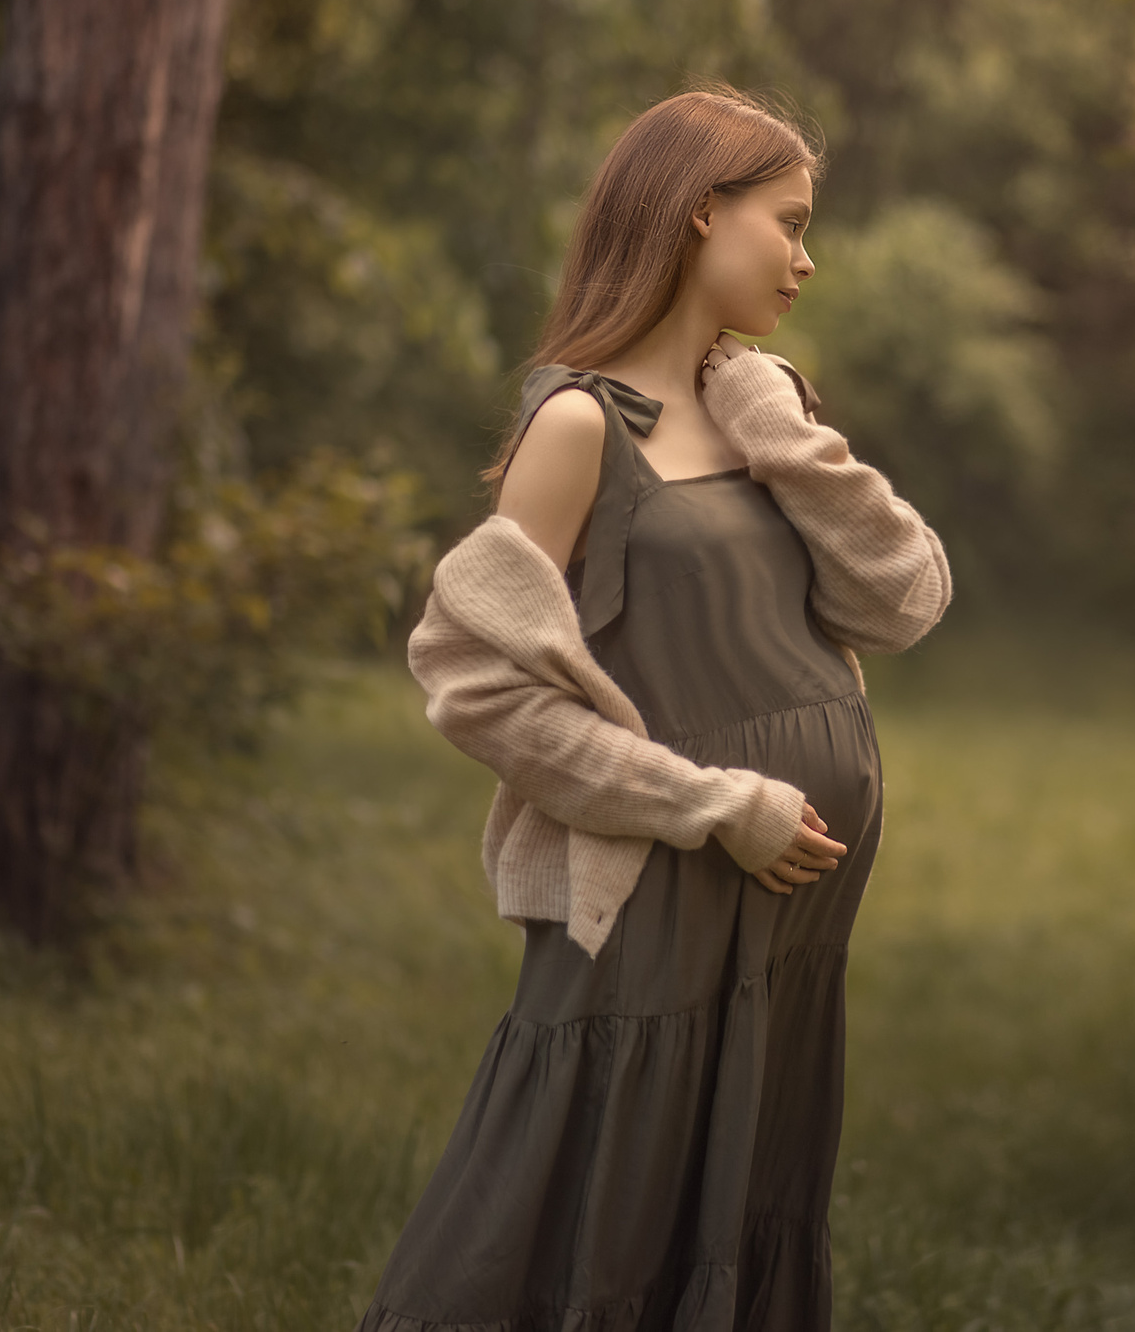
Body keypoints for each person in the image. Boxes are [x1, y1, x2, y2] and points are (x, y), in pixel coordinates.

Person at [355, 86, 953, 1332]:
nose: (805, 257)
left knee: (735, 1203)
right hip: (665, 893)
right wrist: (709, 805)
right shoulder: (578, 426)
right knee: (594, 1213)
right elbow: (474, 681)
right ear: (699, 212)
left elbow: (904, 600)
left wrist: (779, 432)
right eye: (785, 222)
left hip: (790, 921)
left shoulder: (760, 408)